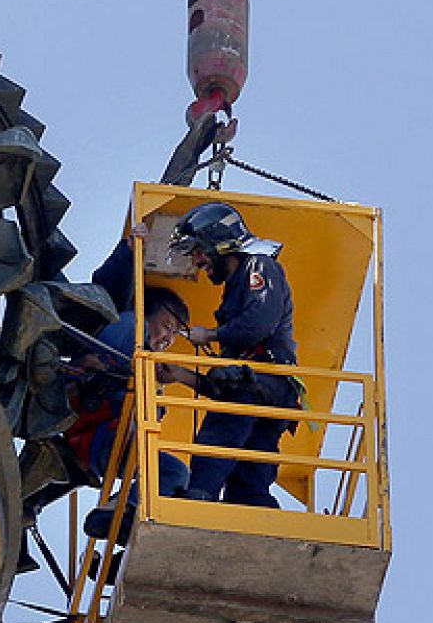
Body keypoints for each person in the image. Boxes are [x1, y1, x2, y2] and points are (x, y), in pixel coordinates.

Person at [158, 201, 299, 507]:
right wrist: (180, 375)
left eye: (198, 251)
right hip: (268, 390)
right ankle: (260, 520)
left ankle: (199, 500)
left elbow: (259, 322)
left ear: (220, 243)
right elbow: (228, 380)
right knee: (249, 481)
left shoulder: (259, 266)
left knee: (219, 435)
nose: (196, 261)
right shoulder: (238, 285)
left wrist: (210, 334)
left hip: (263, 383)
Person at [68, 286, 193, 540]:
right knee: (173, 473)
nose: (169, 338)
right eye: (167, 326)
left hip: (107, 440)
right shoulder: (131, 326)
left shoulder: (147, 361)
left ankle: (120, 520)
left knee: (177, 481)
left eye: (176, 334)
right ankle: (120, 509)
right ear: (148, 313)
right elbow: (107, 367)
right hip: (101, 430)